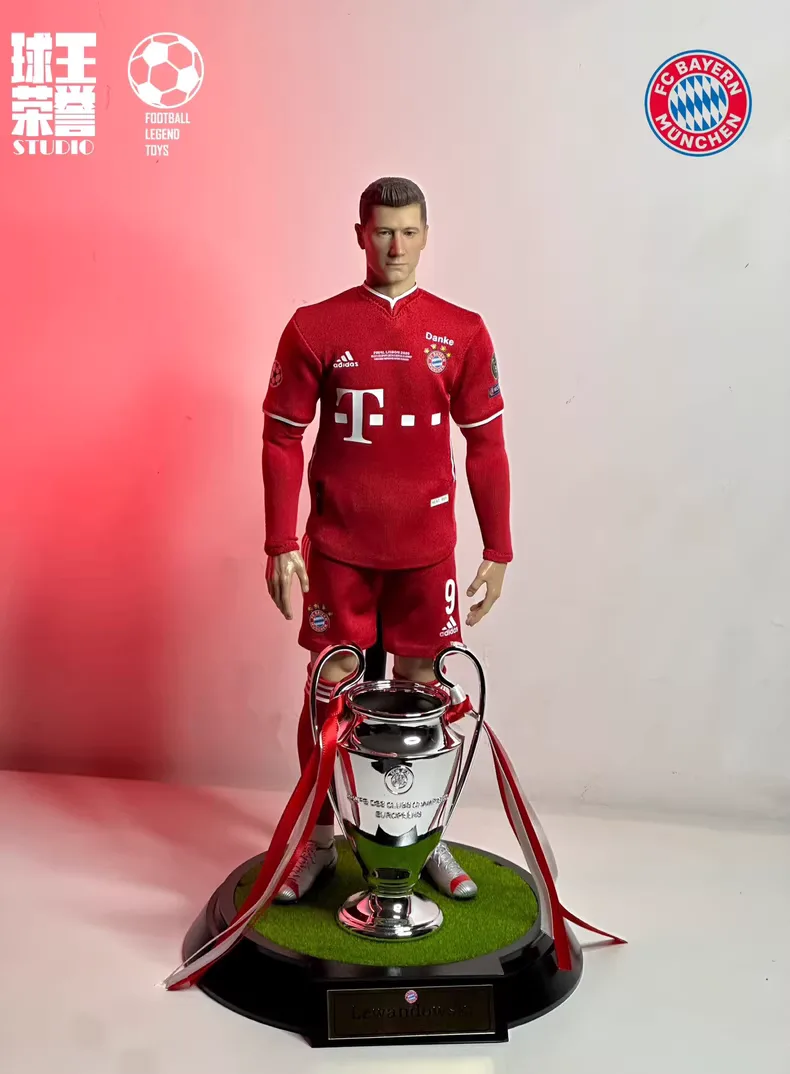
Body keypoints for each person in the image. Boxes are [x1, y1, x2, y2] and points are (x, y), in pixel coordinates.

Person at [262, 177, 512, 903]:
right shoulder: (316, 326)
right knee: (330, 688)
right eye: (381, 231)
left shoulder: (461, 330)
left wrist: (498, 549)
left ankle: (421, 834)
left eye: (407, 231)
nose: (395, 246)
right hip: (340, 547)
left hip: (425, 550)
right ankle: (317, 843)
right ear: (360, 235)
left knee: (425, 692)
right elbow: (281, 437)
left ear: (426, 235)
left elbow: (487, 445)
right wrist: (279, 542)